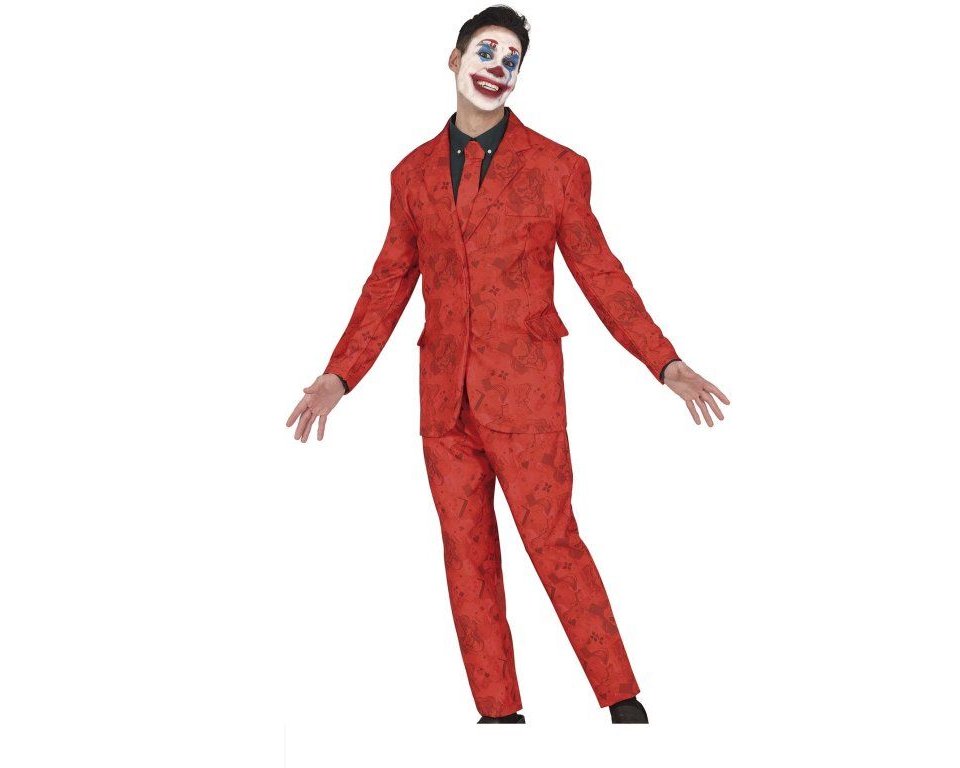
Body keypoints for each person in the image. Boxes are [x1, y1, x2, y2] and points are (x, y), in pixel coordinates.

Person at [286, 5, 730, 724]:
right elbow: (388, 282)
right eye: (486, 51)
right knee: (466, 559)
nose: (496, 67)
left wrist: (664, 361)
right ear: (454, 58)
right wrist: (340, 375)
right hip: (443, 402)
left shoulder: (557, 169)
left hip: (525, 396)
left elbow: (601, 273)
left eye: (511, 59)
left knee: (553, 543)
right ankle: (499, 717)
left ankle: (622, 702)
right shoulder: (411, 175)